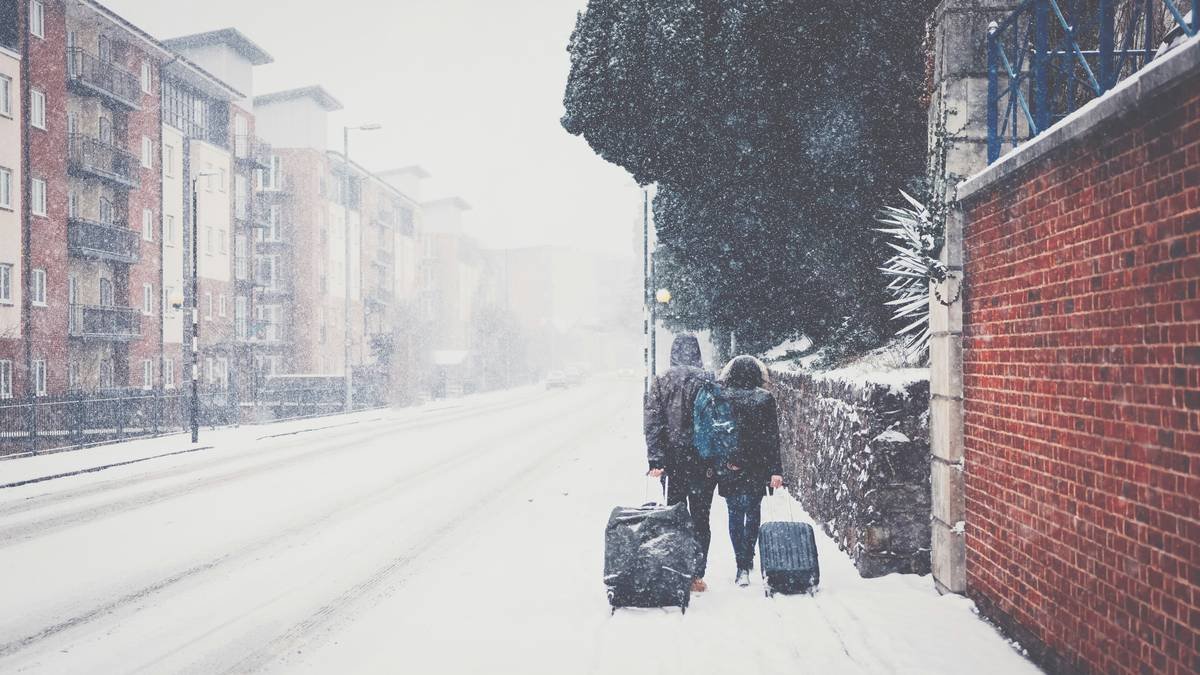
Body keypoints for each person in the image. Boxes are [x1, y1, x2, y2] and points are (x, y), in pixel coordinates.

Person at [644, 334, 716, 593]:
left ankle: (677, 568)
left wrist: (656, 457)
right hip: (703, 459)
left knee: (676, 515)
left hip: (674, 460)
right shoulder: (708, 379)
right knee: (701, 516)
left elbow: (653, 421)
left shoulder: (663, 380)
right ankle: (697, 574)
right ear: (697, 352)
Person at [717, 355, 783, 587]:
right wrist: (776, 470)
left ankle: (741, 565)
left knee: (734, 513)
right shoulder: (765, 399)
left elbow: (720, 434)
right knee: (753, 511)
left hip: (730, 465)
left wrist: (727, 460)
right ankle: (749, 557)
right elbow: (772, 437)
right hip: (758, 464)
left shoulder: (722, 397)